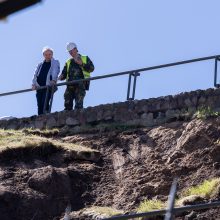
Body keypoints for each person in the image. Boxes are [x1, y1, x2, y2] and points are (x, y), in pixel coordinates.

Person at [58, 42, 94, 110]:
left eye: (71, 50)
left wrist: (82, 64)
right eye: (69, 52)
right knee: (67, 104)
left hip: (81, 83)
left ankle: (78, 116)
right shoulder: (68, 62)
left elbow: (91, 68)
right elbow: (64, 74)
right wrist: (59, 77)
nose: (70, 53)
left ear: (76, 49)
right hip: (70, 84)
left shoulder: (84, 58)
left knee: (78, 106)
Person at [32, 46, 60, 115]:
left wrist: (53, 80)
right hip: (39, 87)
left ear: (52, 54)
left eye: (49, 54)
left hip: (48, 86)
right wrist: (33, 84)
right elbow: (35, 74)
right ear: (43, 55)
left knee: (45, 102)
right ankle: (40, 119)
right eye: (46, 54)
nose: (48, 56)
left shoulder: (55, 62)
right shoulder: (40, 64)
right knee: (39, 104)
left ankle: (46, 117)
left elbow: (55, 71)